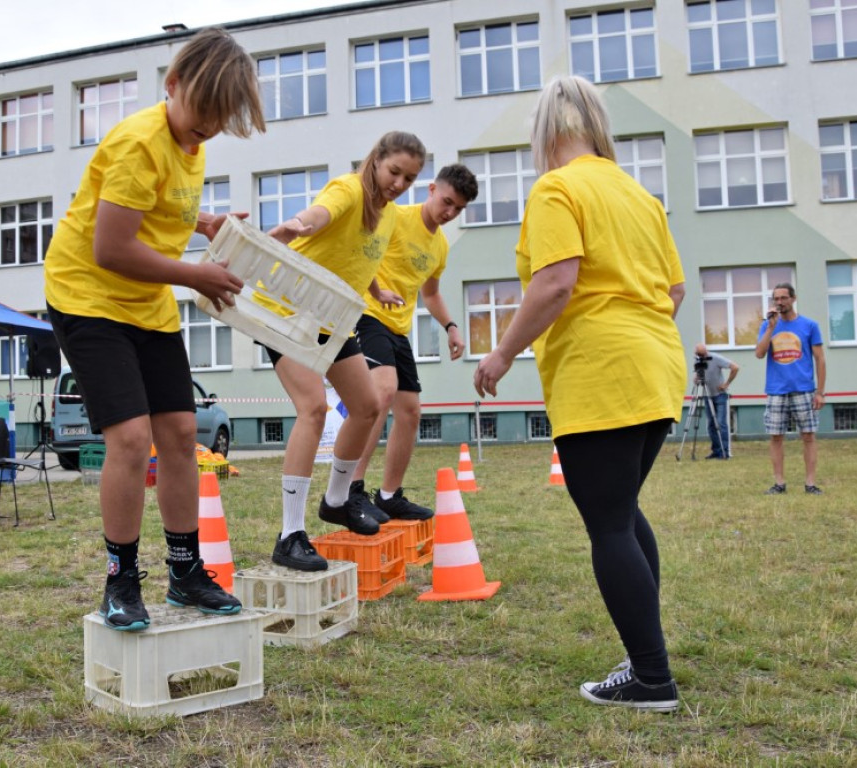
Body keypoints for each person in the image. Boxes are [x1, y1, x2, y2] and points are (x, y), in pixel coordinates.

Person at [473, 75, 685, 713]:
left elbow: (556, 282)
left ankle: (651, 678)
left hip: (601, 368)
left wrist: (503, 351)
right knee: (623, 511)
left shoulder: (557, 188)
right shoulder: (637, 195)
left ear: (544, 132)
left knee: (609, 522)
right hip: (656, 364)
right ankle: (646, 660)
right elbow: (674, 292)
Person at [43, 27, 266, 631]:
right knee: (132, 438)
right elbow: (112, 248)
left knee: (181, 433)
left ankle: (186, 572)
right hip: (88, 295)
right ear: (172, 85)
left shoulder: (190, 143)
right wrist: (197, 275)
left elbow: (168, 204)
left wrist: (212, 222)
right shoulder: (139, 142)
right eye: (203, 115)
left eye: (221, 120)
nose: (209, 130)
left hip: (146, 304)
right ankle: (120, 580)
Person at [264, 131, 427, 572]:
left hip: (332, 318)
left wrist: (377, 287)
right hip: (287, 312)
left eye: (409, 179)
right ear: (376, 160)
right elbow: (323, 213)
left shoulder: (388, 214)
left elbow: (362, 254)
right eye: (395, 172)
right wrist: (300, 224)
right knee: (313, 409)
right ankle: (290, 534)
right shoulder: (349, 189)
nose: (398, 184)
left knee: (368, 405)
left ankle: (336, 500)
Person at [349, 164, 479, 521]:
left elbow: (431, 294)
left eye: (459, 209)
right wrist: (375, 288)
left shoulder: (439, 246)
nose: (450, 213)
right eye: (448, 202)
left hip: (398, 329)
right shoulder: (395, 217)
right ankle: (350, 491)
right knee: (382, 392)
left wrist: (451, 326)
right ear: (432, 189)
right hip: (368, 314)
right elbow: (361, 252)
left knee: (410, 412)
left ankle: (389, 495)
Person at [754, 283, 826, 495]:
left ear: (793, 299)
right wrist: (769, 327)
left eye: (784, 298)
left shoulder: (809, 325)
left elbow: (820, 359)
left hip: (804, 389)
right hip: (777, 390)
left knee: (808, 436)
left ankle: (810, 483)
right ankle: (779, 483)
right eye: (776, 299)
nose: (779, 302)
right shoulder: (768, 325)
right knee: (776, 437)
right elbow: (759, 354)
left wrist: (820, 392)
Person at [693, 342, 738, 460]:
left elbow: (735, 367)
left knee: (721, 423)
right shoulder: (698, 361)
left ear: (706, 352)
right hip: (708, 395)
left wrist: (726, 383)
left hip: (720, 395)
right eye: (699, 355)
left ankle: (725, 451)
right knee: (711, 425)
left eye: (703, 354)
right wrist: (696, 379)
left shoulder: (715, 358)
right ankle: (716, 451)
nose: (701, 357)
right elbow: (696, 378)